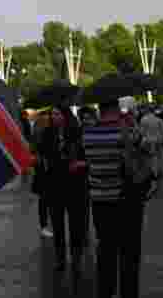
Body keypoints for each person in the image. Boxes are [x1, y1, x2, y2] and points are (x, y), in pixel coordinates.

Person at [83, 98, 150, 298]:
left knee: (105, 248)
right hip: (126, 199)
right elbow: (146, 150)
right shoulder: (127, 131)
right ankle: (129, 292)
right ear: (115, 109)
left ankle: (106, 291)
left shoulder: (88, 134)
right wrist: (131, 124)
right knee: (129, 252)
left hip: (100, 200)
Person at [39, 105, 89, 272]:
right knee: (58, 225)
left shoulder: (76, 133)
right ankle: (60, 258)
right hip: (55, 184)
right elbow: (41, 153)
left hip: (75, 185)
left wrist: (79, 163)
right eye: (52, 114)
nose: (54, 117)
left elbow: (86, 157)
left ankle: (76, 258)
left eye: (57, 114)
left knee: (76, 224)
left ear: (66, 115)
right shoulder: (47, 133)